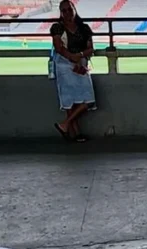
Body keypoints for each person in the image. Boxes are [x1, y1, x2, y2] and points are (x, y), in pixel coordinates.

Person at [50, 0, 96, 143]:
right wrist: (73, 58)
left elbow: (90, 48)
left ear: (74, 9)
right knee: (70, 100)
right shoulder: (57, 28)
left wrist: (79, 57)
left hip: (80, 63)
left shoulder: (84, 28)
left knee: (88, 99)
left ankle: (65, 124)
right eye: (64, 11)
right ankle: (75, 133)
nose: (67, 13)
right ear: (61, 13)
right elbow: (58, 48)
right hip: (64, 65)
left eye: (69, 10)